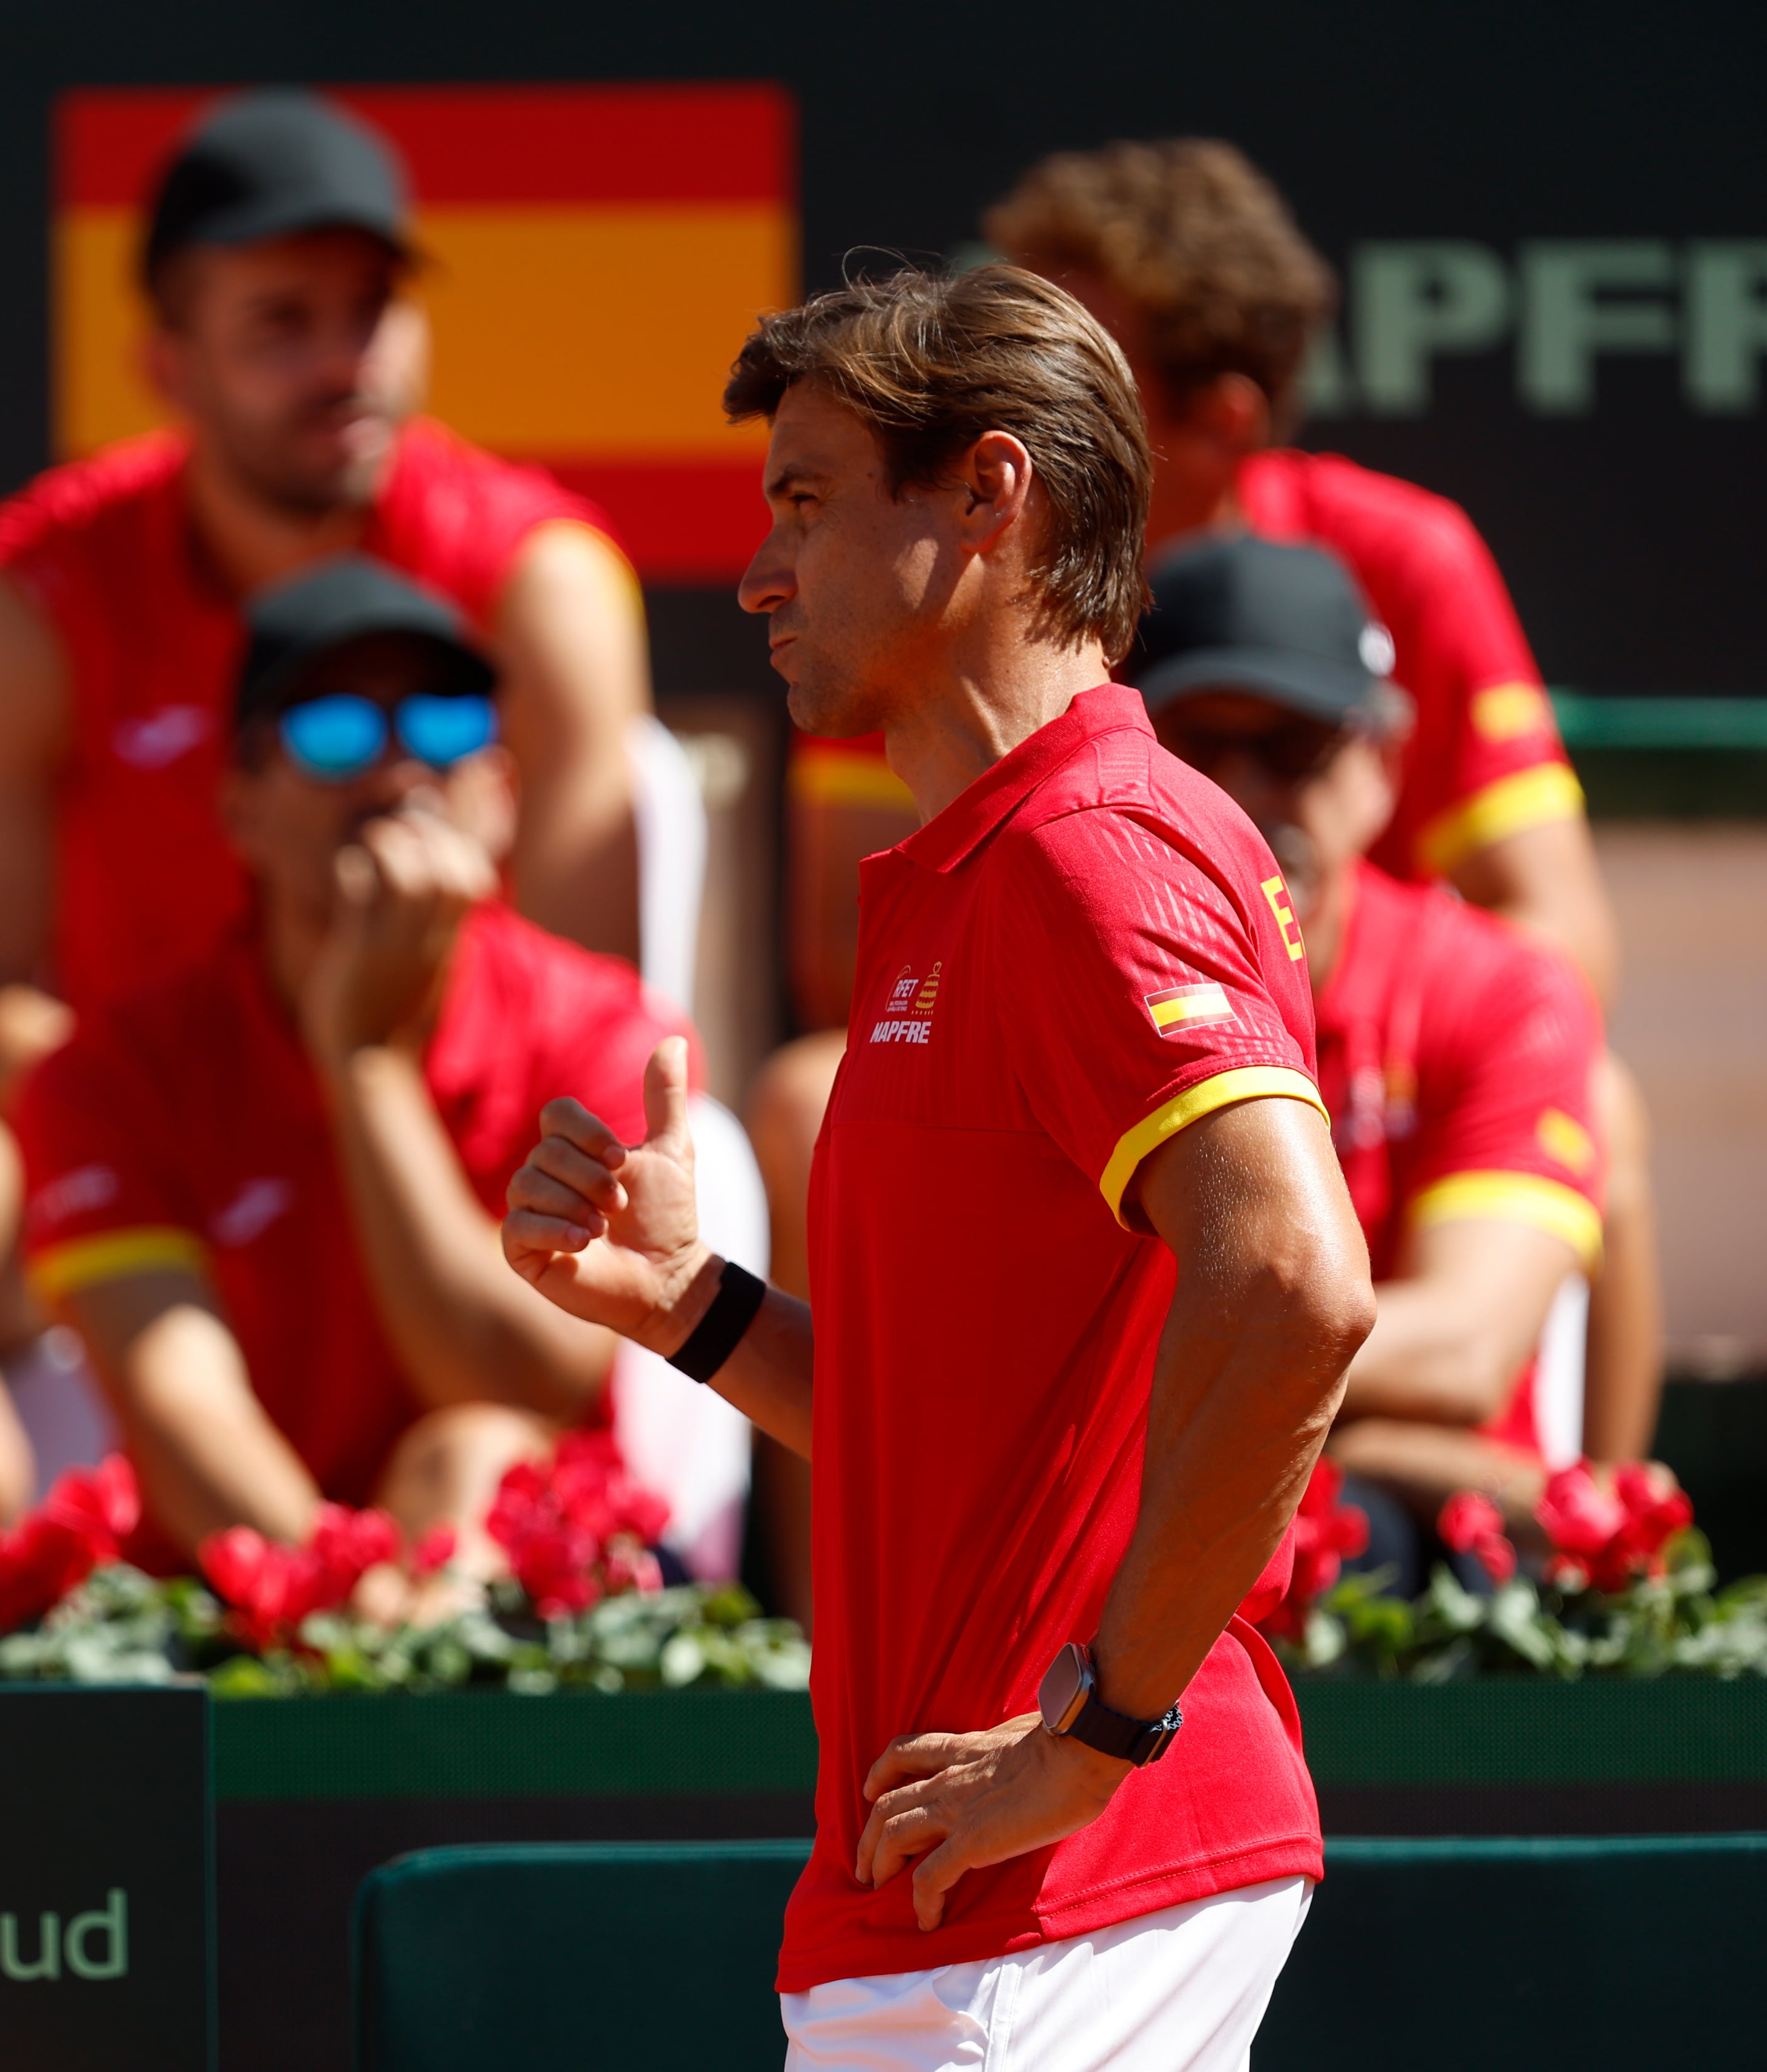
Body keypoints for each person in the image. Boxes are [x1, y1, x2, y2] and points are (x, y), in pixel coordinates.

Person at [505, 267, 1373, 2063]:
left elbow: (1296, 1281)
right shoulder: (981, 875)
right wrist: (697, 1310)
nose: (759, 573)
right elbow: (969, 1439)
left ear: (990, 496)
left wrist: (1096, 1737)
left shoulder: (1087, 852)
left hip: (1073, 1886)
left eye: (808, 501)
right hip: (967, 1896)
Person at [0, 88, 654, 1353]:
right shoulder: (32, 592)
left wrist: (361, 1116)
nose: (345, 363)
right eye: (282, 323)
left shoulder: (541, 577)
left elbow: (595, 1018)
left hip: (466, 1173)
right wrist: (209, 1123)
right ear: (165, 363)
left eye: (372, 311)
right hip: (157, 1162)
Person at [986, 139, 1663, 1475]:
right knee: (812, 1090)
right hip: (1097, 1046)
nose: (1019, 426)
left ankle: (1592, 1530)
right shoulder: (971, 568)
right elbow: (865, 950)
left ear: (1219, 419)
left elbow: (1559, 938)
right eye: (1191, 744)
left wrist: (1326, 1003)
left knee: (1583, 1076)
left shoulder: (1402, 555)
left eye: (1078, 392)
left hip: (1366, 1060)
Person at [16, 556, 689, 1568]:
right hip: (249, 1597)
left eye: (446, 727)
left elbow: (526, 1381)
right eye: (332, 732)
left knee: (470, 1450)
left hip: (541, 1607)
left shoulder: (605, 1030)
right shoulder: (110, 1071)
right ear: (240, 805)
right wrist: (350, 1621)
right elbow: (183, 1415)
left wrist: (364, 1064)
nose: (396, 772)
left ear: (501, 794)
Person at [1136, 536, 1607, 1555]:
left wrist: (1160, 1380)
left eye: (1295, 744)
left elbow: (1469, 1348)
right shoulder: (1055, 978)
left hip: (1432, 1572)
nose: (1245, 790)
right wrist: (1382, 1430)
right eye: (1196, 745)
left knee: (1370, 1537)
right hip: (1143, 1529)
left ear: (1384, 763)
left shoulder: (1499, 988)